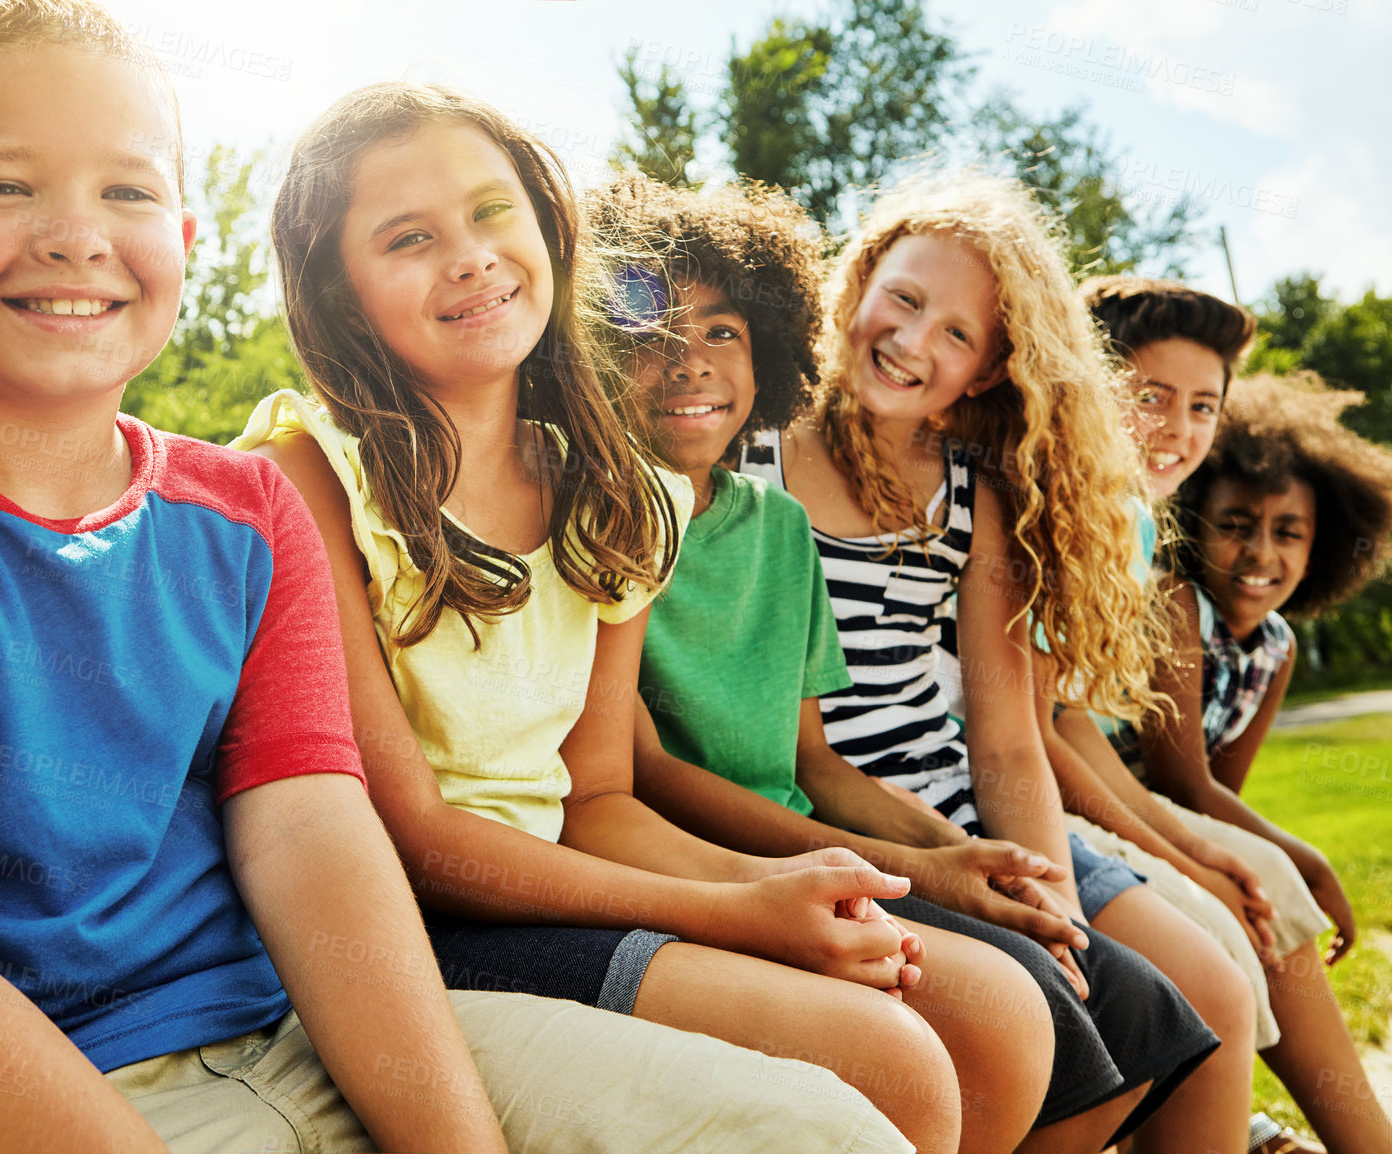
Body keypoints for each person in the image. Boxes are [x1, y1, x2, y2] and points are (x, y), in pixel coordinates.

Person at [0, 6, 918, 1153]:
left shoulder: (239, 513)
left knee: (826, 1129)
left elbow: (316, 849)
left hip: (278, 1040)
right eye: (3, 184)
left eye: (126, 187)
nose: (74, 232)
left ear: (183, 239)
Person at [242, 81, 982, 1153]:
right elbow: (413, 837)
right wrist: (740, 907)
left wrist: (783, 881)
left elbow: (595, 794)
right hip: (408, 930)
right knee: (891, 1059)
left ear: (548, 225)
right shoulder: (309, 479)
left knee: (961, 1024)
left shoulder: (618, 496)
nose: (467, 256)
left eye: (492, 212)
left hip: (564, 887)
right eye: (408, 236)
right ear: (338, 288)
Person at [589, 173, 1226, 1154]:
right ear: (854, 289)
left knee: (1152, 1007)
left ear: (984, 369)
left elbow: (1002, 742)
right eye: (905, 298)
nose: (915, 340)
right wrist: (927, 865)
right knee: (1018, 1015)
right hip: (769, 834)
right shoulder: (725, 451)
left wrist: (1026, 884)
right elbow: (659, 768)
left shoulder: (899, 512)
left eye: (958, 333)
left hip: (893, 810)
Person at [1033, 277, 1390, 1153]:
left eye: (1203, 405)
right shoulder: (1094, 538)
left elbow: (1205, 789)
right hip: (1054, 797)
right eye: (1150, 398)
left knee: (1255, 880)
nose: (1178, 427)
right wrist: (1252, 855)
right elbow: (1152, 769)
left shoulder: (1144, 537)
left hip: (1102, 792)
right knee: (1247, 900)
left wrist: (1224, 848)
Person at [1143, 372, 1392, 1152]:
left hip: (1178, 831)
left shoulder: (1275, 649)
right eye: (1236, 524)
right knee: (1265, 903)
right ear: (1192, 520)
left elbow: (1225, 791)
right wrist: (1303, 860)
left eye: (1289, 532)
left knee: (1253, 901)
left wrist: (1263, 856)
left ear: (1321, 547)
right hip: (1114, 812)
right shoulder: (1175, 604)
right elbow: (1182, 776)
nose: (1260, 552)